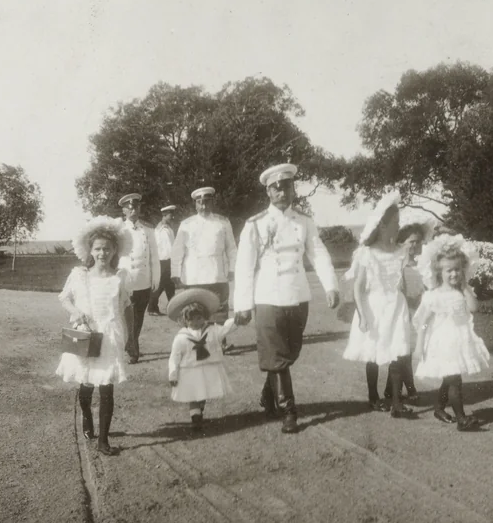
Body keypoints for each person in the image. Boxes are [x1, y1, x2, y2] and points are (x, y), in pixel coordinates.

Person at [233, 163, 340, 434]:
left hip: (297, 295)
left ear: (293, 189)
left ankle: (268, 395)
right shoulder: (255, 224)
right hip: (268, 297)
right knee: (278, 355)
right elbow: (244, 266)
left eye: (286, 187)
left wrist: (331, 286)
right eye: (276, 188)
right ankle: (289, 410)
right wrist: (242, 304)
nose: (282, 192)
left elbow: (318, 253)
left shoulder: (304, 222)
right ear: (268, 192)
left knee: (288, 354)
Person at [57, 217, 134, 455]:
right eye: (98, 248)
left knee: (107, 386)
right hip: (86, 333)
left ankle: (103, 440)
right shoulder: (79, 275)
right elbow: (64, 298)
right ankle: (87, 416)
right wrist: (76, 312)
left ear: (115, 250)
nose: (103, 253)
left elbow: (127, 307)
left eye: (107, 249)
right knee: (86, 383)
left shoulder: (119, 278)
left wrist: (131, 337)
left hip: (110, 335)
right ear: (90, 250)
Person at [341, 192, 415, 417]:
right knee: (372, 352)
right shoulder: (368, 253)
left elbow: (402, 283)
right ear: (382, 225)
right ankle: (373, 397)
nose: (399, 226)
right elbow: (358, 287)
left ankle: (396, 403)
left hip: (396, 306)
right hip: (374, 306)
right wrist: (362, 315)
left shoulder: (401, 252)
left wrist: (407, 308)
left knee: (398, 351)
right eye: (395, 222)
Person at [413, 234, 489, 432]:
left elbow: (474, 308)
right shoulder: (434, 295)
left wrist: (465, 288)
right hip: (443, 342)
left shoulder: (462, 290)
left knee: (450, 378)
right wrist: (419, 345)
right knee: (454, 379)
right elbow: (423, 323)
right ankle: (462, 419)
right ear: (439, 272)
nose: (454, 274)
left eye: (457, 269)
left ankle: (439, 408)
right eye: (449, 271)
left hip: (460, 340)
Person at [173, 186, 238, 348]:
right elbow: (177, 250)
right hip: (193, 275)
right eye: (200, 203)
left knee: (219, 310)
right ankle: (195, 342)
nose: (203, 206)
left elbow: (231, 248)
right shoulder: (186, 224)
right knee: (194, 311)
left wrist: (232, 268)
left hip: (216, 274)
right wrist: (175, 272)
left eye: (207, 202)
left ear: (212, 202)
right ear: (195, 204)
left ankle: (220, 343)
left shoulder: (223, 222)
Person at [165, 288, 233, 433]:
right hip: (190, 371)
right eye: (191, 319)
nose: (195, 322)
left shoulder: (212, 330)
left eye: (199, 318)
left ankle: (199, 412)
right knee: (193, 396)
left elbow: (226, 329)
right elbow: (175, 357)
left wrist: (237, 320)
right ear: (184, 320)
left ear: (205, 317)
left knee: (202, 394)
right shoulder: (181, 337)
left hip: (207, 369)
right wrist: (173, 374)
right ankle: (196, 420)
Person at [383, 220, 429, 405]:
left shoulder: (423, 264)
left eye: (418, 241)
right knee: (403, 352)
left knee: (407, 351)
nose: (415, 245)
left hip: (419, 312)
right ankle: (409, 388)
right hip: (402, 312)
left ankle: (390, 390)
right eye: (411, 242)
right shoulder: (398, 266)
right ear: (402, 243)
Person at [118, 193, 160, 362]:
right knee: (125, 315)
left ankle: (132, 343)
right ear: (124, 211)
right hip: (125, 278)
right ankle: (132, 346)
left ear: (139, 208)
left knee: (139, 315)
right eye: (129, 208)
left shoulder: (148, 230)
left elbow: (154, 256)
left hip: (143, 279)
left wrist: (155, 278)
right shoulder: (119, 229)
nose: (133, 210)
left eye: (136, 207)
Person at [147, 204, 179, 316]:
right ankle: (153, 307)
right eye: (170, 215)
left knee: (168, 285)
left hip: (168, 260)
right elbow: (167, 248)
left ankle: (172, 308)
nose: (172, 217)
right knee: (163, 285)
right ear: (164, 215)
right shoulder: (161, 230)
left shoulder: (168, 228)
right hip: (164, 261)